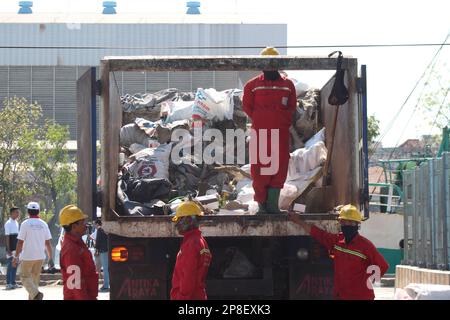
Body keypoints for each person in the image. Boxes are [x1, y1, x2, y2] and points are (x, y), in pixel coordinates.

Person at [288, 204, 389, 300]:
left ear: (357, 224)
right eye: (344, 222)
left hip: (360, 296)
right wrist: (298, 221)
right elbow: (318, 233)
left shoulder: (365, 246)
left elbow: (383, 266)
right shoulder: (337, 241)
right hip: (341, 296)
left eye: (350, 222)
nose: (347, 225)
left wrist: (366, 281)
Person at [242, 46, 297, 214]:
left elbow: (292, 107)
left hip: (280, 135)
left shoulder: (288, 85)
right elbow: (247, 107)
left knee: (279, 168)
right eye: (266, 64)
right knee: (259, 170)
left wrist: (278, 120)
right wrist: (262, 119)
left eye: (273, 64)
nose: (270, 68)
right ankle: (262, 207)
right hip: (260, 134)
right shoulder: (252, 85)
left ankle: (273, 206)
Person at [170, 200, 212, 300]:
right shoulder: (200, 242)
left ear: (189, 220)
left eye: (179, 220)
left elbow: (188, 277)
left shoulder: (191, 244)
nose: (176, 225)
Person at [14, 202, 53, 300]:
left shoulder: (25, 224)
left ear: (28, 211)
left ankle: (36, 294)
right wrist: (50, 257)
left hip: (27, 256)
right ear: (38, 211)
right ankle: (35, 295)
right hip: (40, 257)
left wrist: (16, 256)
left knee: (24, 276)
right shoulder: (43, 224)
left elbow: (20, 242)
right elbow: (48, 243)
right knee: (34, 281)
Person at [59, 205, 98, 300]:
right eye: (82, 222)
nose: (86, 225)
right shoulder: (71, 249)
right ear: (74, 226)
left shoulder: (77, 243)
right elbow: (75, 283)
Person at [4, 207, 21, 290]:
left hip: (16, 247)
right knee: (10, 265)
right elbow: (7, 237)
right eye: (16, 212)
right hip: (10, 248)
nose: (18, 214)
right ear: (12, 213)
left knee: (15, 265)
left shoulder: (16, 223)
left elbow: (17, 236)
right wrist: (8, 249)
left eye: (18, 212)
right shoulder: (8, 223)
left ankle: (13, 282)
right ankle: (8, 283)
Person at [93, 219, 109, 292]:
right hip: (109, 249)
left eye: (94, 224)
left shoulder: (100, 229)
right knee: (108, 268)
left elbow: (98, 240)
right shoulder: (107, 229)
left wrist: (96, 249)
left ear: (97, 224)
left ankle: (106, 286)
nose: (94, 226)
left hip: (103, 250)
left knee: (105, 269)